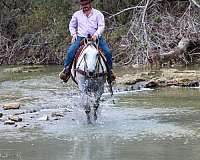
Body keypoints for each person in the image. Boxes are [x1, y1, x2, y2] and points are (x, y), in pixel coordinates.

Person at [59, 0, 116, 83]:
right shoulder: (77, 14)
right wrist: (74, 34)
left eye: (86, 4)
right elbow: (72, 25)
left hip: (96, 37)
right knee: (71, 51)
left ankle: (110, 72)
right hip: (81, 37)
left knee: (107, 52)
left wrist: (96, 34)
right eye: (83, 4)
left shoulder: (98, 14)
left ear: (90, 4)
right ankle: (66, 70)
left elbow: (101, 26)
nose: (84, 6)